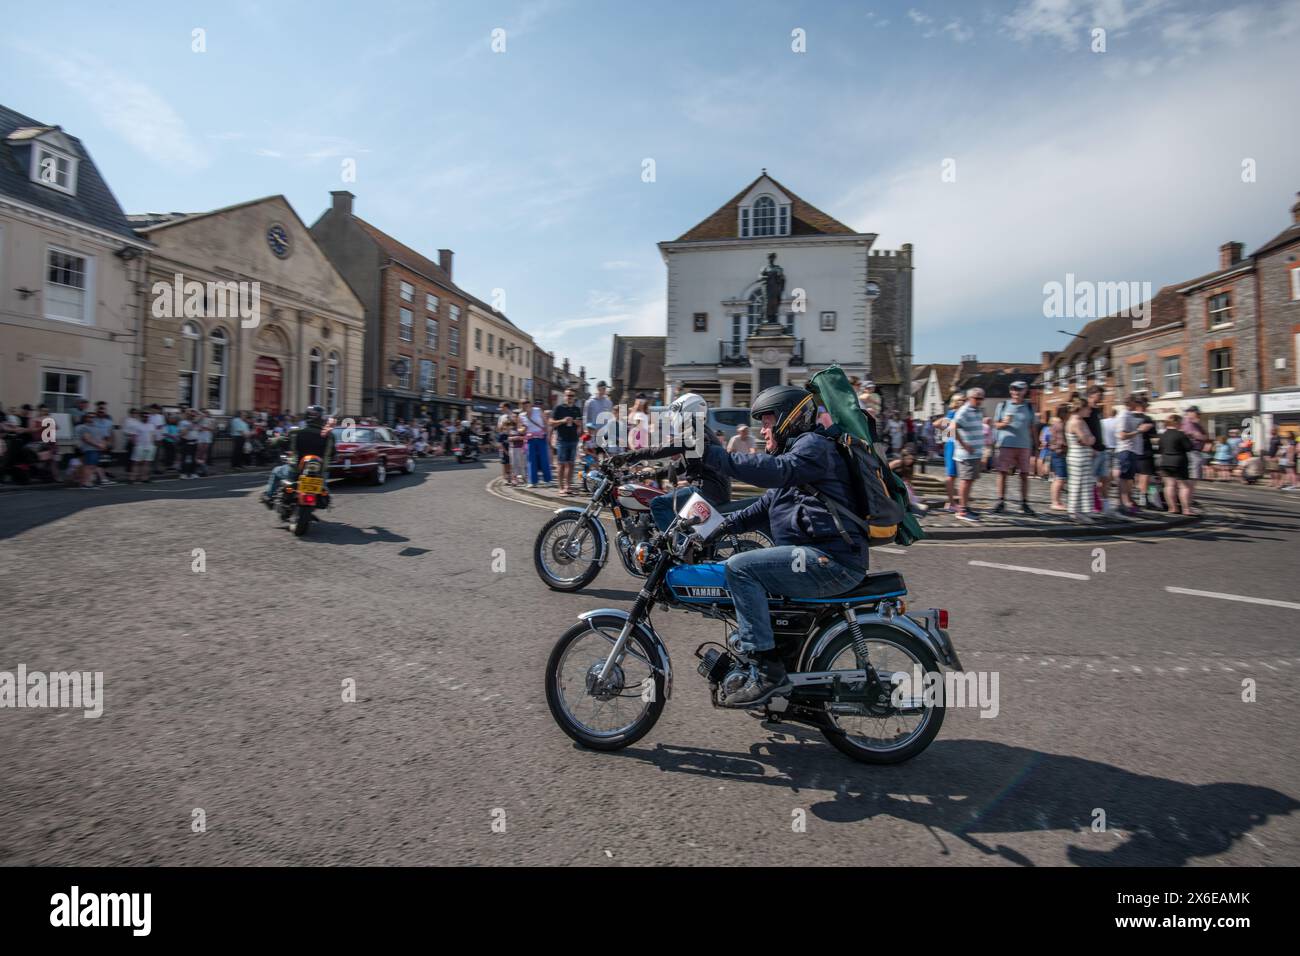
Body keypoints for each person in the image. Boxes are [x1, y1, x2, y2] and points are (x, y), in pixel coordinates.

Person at [686, 385, 870, 706]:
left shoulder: (813, 446)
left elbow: (774, 472)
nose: (763, 432)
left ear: (789, 419)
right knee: (750, 568)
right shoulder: (798, 454)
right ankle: (769, 655)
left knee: (740, 568)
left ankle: (768, 673)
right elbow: (763, 507)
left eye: (768, 423)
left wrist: (718, 457)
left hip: (831, 561)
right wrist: (712, 530)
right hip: (817, 557)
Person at [261, 405, 334, 506]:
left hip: (295, 470)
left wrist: (271, 441)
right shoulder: (329, 436)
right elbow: (333, 453)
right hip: (320, 473)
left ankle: (269, 496)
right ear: (322, 419)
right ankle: (324, 496)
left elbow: (282, 440)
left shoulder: (296, 432)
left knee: (276, 471)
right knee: (325, 491)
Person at [990, 380, 1037, 515]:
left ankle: (1024, 503)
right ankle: (1000, 501)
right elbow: (996, 424)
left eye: (1019, 390)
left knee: (1024, 475)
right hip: (1006, 444)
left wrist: (1036, 445)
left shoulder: (1029, 407)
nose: (1016, 392)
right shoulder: (1003, 405)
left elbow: (1033, 427)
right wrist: (1003, 423)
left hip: (1024, 445)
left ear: (1024, 391)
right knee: (1002, 473)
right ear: (1010, 391)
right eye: (1013, 389)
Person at [950, 387, 986, 522]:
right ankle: (962, 511)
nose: (979, 401)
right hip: (965, 454)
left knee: (970, 481)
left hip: (974, 454)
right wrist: (964, 445)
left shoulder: (977, 411)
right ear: (969, 398)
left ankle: (965, 506)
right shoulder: (964, 411)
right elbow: (952, 428)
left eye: (981, 398)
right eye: (977, 398)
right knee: (965, 481)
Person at [1156, 414, 1195, 515]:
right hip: (1179, 462)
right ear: (1176, 423)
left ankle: (1172, 508)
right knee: (1184, 487)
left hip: (1165, 462)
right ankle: (1186, 509)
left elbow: (1160, 449)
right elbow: (1189, 447)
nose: (1182, 424)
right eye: (1181, 423)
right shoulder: (1180, 434)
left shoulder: (1163, 435)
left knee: (1169, 485)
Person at [1112, 394, 1144, 517]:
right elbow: (1121, 435)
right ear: (1130, 402)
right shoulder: (1123, 415)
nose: (1137, 405)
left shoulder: (1129, 414)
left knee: (1128, 479)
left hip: (1131, 451)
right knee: (1124, 479)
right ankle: (1123, 504)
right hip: (1126, 450)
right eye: (1136, 402)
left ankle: (1126, 503)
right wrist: (1139, 431)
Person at [1066, 397, 1097, 519]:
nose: (1090, 410)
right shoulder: (1076, 422)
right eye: (1088, 408)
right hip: (1078, 456)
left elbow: (1090, 439)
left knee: (1085, 484)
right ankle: (1075, 512)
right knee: (1078, 484)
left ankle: (1083, 510)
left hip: (1082, 455)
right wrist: (1089, 440)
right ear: (1081, 408)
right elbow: (1087, 440)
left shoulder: (1080, 421)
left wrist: (1089, 440)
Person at [550, 388, 583, 496]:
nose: (570, 397)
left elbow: (580, 425)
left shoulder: (577, 409)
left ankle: (568, 486)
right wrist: (562, 421)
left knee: (571, 464)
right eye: (568, 395)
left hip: (573, 440)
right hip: (562, 440)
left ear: (574, 398)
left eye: (572, 396)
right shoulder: (559, 408)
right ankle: (560, 487)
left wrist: (577, 423)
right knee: (561, 465)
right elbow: (551, 423)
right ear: (564, 396)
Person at [1085, 385, 1110, 513]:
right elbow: (1084, 431)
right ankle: (1092, 505)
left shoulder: (1098, 410)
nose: (1102, 397)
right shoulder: (1086, 411)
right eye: (1099, 395)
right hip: (1093, 451)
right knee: (1090, 480)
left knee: (1105, 479)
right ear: (1091, 395)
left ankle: (1105, 506)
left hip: (1102, 449)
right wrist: (1089, 448)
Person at [940, 393, 963, 512]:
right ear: (954, 402)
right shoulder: (951, 414)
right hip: (952, 446)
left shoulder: (960, 414)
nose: (962, 402)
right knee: (951, 475)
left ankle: (953, 502)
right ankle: (951, 503)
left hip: (957, 446)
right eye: (959, 400)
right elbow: (947, 436)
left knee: (956, 476)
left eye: (963, 400)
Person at [521, 400, 552, 487]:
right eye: (523, 406)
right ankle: (532, 481)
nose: (526, 407)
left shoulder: (538, 410)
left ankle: (548, 480)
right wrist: (522, 430)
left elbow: (546, 423)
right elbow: (519, 428)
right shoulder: (522, 415)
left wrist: (548, 436)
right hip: (530, 439)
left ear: (530, 405)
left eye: (527, 405)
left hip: (541, 437)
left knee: (544, 459)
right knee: (531, 460)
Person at [123, 408, 157, 484]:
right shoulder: (137, 425)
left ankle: (144, 478)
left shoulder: (151, 425)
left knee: (147, 463)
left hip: (149, 446)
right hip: (140, 446)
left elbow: (153, 436)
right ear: (141, 417)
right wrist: (136, 445)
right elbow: (133, 436)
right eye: (144, 416)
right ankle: (132, 478)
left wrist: (152, 445)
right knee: (136, 463)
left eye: (147, 416)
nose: (146, 418)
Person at [1048, 402, 1070, 510]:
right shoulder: (1061, 425)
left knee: (1059, 478)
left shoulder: (1057, 424)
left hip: (1056, 453)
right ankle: (1055, 502)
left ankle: (1056, 501)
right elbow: (1062, 442)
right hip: (1059, 453)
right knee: (1060, 478)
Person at [583, 381, 614, 448]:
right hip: (592, 433)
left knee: (604, 454)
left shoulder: (608, 402)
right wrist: (586, 431)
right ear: (598, 388)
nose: (604, 390)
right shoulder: (590, 402)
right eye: (603, 388)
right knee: (593, 454)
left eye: (605, 388)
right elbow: (586, 417)